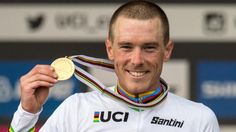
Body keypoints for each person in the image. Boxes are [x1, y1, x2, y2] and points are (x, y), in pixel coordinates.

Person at [10, 0, 220, 131]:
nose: (137, 60)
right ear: (110, 49)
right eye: (126, 47)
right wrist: (27, 113)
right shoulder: (77, 109)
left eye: (149, 47)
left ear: (167, 50)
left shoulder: (198, 118)